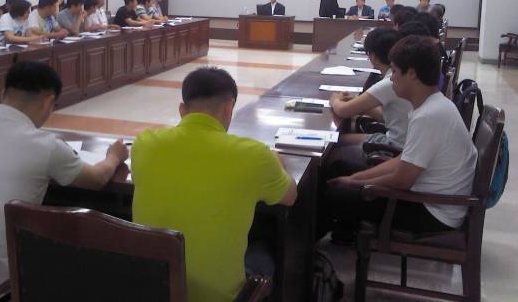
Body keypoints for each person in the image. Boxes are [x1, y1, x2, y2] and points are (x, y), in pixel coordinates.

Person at [0, 61, 129, 299]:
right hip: (5, 280)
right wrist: (114, 156)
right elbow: (97, 179)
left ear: (3, 94)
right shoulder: (44, 145)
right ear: (48, 102)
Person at [131, 67, 297, 302]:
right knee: (266, 247)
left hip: (153, 290)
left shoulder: (145, 143)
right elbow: (291, 196)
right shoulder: (254, 155)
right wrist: (277, 161)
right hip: (219, 297)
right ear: (229, 107)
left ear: (182, 110)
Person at [319, 36, 477, 239]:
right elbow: (402, 161)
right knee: (338, 169)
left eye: (394, 71)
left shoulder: (428, 116)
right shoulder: (435, 104)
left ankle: (305, 250)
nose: (391, 78)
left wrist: (355, 184)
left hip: (431, 212)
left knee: (333, 193)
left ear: (412, 74)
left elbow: (402, 180)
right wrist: (354, 178)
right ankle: (342, 235)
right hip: (429, 198)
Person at [325, 28, 411, 176]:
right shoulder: (402, 76)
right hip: (399, 141)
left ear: (373, 57)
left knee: (331, 153)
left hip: (393, 149)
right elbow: (386, 117)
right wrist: (359, 102)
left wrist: (334, 100)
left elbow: (342, 111)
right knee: (337, 140)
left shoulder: (390, 82)